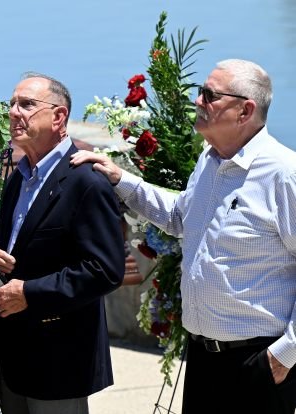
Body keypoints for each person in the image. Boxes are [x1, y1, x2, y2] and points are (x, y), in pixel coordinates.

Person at [70, 59, 296, 414]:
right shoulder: (210, 160)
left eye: (209, 95)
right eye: (200, 92)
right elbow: (180, 217)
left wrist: (283, 356)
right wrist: (121, 180)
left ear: (245, 110)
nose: (198, 101)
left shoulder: (283, 174)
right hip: (204, 361)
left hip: (258, 365)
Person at [0, 72, 125, 414]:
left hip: (59, 362)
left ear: (59, 117)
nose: (15, 112)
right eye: (12, 104)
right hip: (13, 358)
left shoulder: (85, 182)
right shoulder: (19, 177)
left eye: (27, 104)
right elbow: (14, 252)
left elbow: (104, 270)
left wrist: (28, 294)